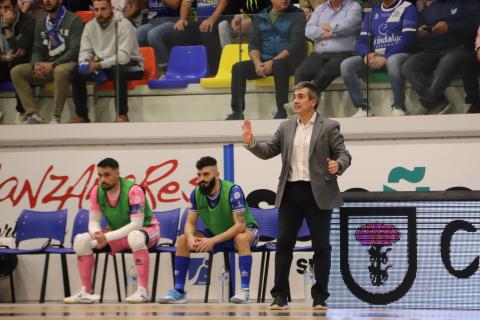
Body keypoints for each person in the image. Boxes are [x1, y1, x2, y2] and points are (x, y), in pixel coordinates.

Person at [242, 81, 351, 310]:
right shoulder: (286, 126)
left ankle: (320, 297)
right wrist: (251, 142)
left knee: (321, 246)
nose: (295, 100)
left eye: (301, 97)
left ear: (313, 101)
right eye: (294, 96)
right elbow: (269, 151)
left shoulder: (329, 126)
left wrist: (337, 166)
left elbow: (344, 154)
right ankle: (280, 295)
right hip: (290, 192)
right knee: (284, 244)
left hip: (318, 192)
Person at [159, 156, 259, 304]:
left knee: (241, 238)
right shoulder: (196, 193)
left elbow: (240, 226)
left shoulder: (233, 191)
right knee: (182, 239)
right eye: (199, 175)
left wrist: (212, 240)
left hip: (246, 232)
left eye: (206, 174)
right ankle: (179, 291)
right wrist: (190, 237)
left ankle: (244, 291)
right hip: (216, 234)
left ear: (217, 175)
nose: (202, 179)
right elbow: (189, 224)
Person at [64, 158, 160, 304]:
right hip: (117, 234)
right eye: (100, 175)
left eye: (107, 175)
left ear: (117, 173)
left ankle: (143, 291)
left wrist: (107, 237)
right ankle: (85, 292)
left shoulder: (134, 190)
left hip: (146, 229)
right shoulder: (96, 191)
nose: (103, 179)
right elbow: (94, 221)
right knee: (81, 240)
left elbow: (136, 224)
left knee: (135, 237)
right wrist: (97, 234)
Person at [226, 0, 306, 120]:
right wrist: (257, 63)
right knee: (238, 68)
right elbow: (253, 44)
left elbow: (296, 44)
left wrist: (273, 61)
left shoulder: (297, 14)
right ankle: (237, 112)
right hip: (265, 60)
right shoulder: (260, 16)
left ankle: (281, 110)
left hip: (290, 60)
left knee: (280, 65)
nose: (286, 0)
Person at [70, 0, 144, 123]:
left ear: (112, 9)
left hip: (132, 65)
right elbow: (85, 51)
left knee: (118, 70)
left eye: (103, 9)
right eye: (96, 10)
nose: (100, 13)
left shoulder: (124, 25)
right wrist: (85, 63)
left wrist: (99, 64)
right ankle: (82, 116)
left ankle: (122, 115)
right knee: (76, 72)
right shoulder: (89, 26)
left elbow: (123, 57)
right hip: (104, 65)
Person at [10, 0, 83, 124]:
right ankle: (34, 114)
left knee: (60, 70)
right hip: (47, 66)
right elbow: (37, 48)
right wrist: (36, 64)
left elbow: (75, 50)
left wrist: (53, 64)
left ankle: (56, 117)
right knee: (17, 71)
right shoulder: (41, 22)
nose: (47, 1)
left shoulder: (74, 20)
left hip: (69, 65)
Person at [340, 0, 418, 117]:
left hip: (401, 55)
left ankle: (399, 106)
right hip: (377, 57)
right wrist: (366, 54)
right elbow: (362, 41)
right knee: (347, 65)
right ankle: (363, 108)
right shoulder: (372, 12)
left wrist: (386, 57)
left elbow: (408, 39)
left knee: (392, 61)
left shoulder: (407, 7)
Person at [401, 0, 477, 115]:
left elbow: (473, 25)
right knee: (408, 66)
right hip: (431, 50)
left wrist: (449, 27)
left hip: (457, 48)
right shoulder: (430, 8)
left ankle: (428, 102)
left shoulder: (466, 3)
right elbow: (418, 34)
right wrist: (421, 34)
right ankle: (438, 101)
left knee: (447, 62)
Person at [294, 0, 362, 95]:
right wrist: (334, 33)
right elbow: (308, 31)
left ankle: (306, 98)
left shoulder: (354, 6)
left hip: (345, 53)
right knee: (300, 72)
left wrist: (323, 29)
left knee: (327, 70)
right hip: (320, 53)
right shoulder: (320, 8)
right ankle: (301, 101)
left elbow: (347, 27)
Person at [170, 0, 229, 76]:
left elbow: (224, 2)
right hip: (200, 21)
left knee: (206, 29)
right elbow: (187, 2)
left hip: (219, 19)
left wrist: (212, 19)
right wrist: (182, 19)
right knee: (178, 30)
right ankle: (185, 69)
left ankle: (213, 72)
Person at [0, 0, 35, 124]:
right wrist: (6, 58)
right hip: (4, 62)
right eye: (0, 8)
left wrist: (6, 27)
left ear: (16, 7)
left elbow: (20, 49)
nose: (3, 11)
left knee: (18, 65)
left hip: (22, 61)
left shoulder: (29, 22)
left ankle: (22, 111)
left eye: (7, 7)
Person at [136, 0, 180, 71]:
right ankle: (148, 67)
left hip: (172, 20)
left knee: (153, 35)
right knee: (138, 33)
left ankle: (165, 69)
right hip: (154, 21)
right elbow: (144, 8)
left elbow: (175, 5)